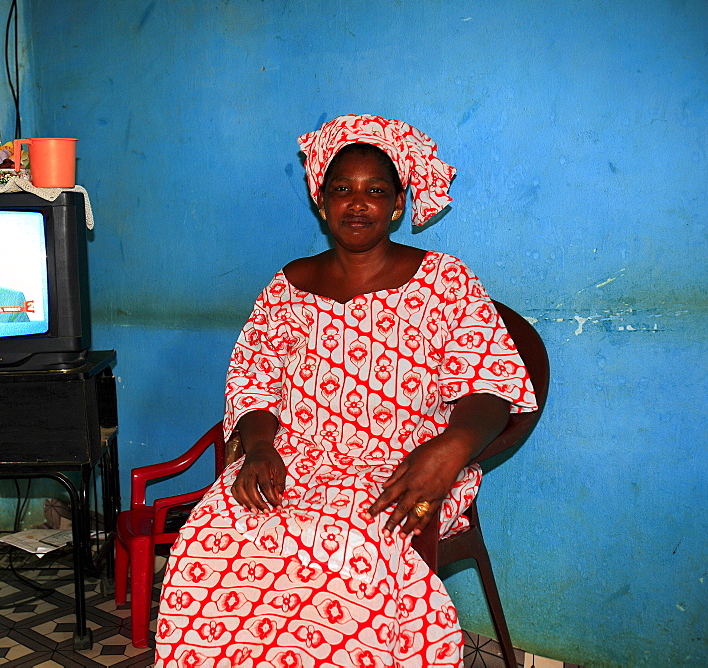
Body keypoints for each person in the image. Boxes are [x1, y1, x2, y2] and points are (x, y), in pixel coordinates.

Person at [154, 114, 537, 667]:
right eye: (342, 190)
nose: (357, 204)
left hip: (408, 464)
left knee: (347, 541)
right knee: (217, 529)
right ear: (321, 201)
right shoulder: (287, 286)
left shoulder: (445, 282)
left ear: (399, 204)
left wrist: (450, 451)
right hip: (295, 456)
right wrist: (260, 448)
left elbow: (490, 387)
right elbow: (254, 383)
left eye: (375, 191)